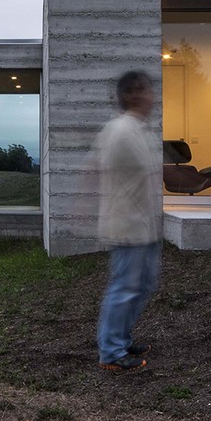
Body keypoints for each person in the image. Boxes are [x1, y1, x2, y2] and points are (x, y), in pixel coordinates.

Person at [94, 69, 163, 372]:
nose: (151, 96)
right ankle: (111, 351)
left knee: (142, 286)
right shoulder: (120, 131)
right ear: (130, 95)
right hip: (127, 225)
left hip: (144, 225)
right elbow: (99, 169)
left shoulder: (142, 130)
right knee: (124, 289)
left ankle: (120, 338)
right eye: (146, 90)